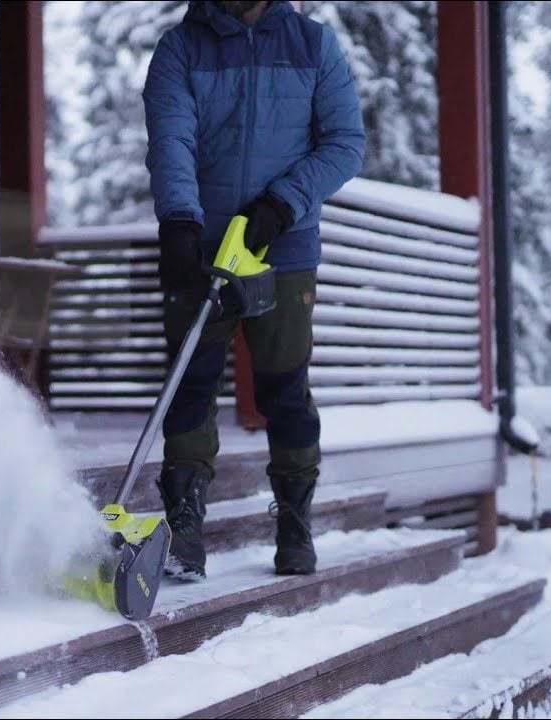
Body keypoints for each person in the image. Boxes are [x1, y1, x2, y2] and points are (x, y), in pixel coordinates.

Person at [141, 0, 366, 580]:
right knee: (190, 383)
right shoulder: (181, 48)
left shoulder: (313, 46)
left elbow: (344, 143)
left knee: (285, 386)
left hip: (280, 249)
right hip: (201, 248)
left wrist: (281, 204)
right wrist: (181, 222)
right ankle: (185, 525)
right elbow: (172, 140)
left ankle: (294, 522)